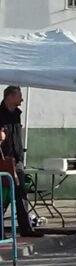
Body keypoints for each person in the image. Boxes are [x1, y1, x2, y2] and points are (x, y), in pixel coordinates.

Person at [0, 86, 38, 237]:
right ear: (9, 97)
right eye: (19, 96)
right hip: (3, 161)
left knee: (21, 195)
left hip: (17, 160)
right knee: (3, 197)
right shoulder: (0, 113)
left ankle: (26, 228)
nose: (22, 99)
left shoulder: (17, 114)